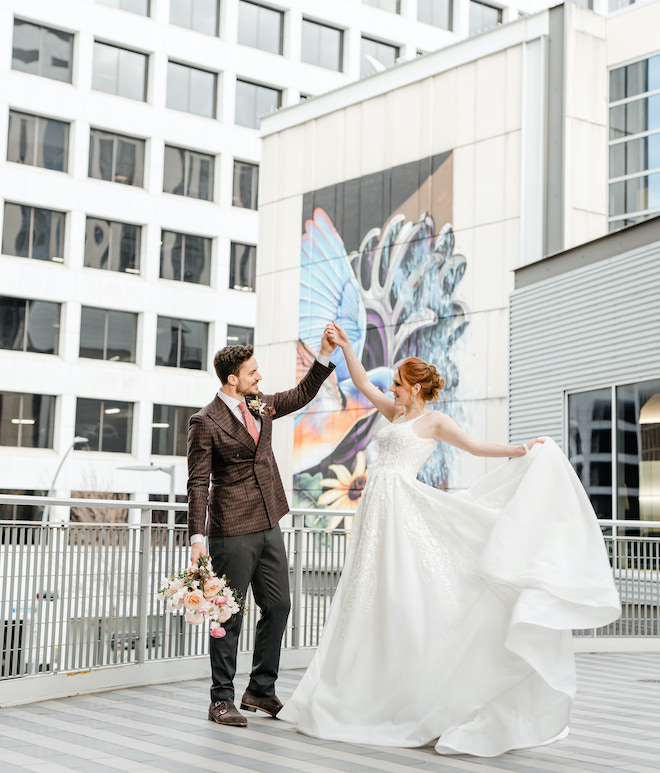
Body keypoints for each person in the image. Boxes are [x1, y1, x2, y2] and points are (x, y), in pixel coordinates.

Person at [279, 323, 620, 757]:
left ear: (417, 388)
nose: (395, 390)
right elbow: (363, 382)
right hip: (375, 510)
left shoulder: (434, 420)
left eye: (401, 385)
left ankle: (427, 685)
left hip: (403, 506)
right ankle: (364, 683)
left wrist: (520, 450)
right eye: (396, 386)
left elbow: (474, 448)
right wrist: (345, 347)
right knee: (367, 592)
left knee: (413, 589)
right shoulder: (396, 414)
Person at [187, 333, 336, 727]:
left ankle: (260, 690)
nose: (260, 376)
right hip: (231, 529)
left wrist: (323, 353)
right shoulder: (204, 421)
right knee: (227, 616)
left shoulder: (260, 403)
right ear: (232, 378)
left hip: (270, 521)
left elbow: (302, 393)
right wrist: (197, 539)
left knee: (279, 605)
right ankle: (221, 700)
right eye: (252, 372)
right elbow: (198, 483)